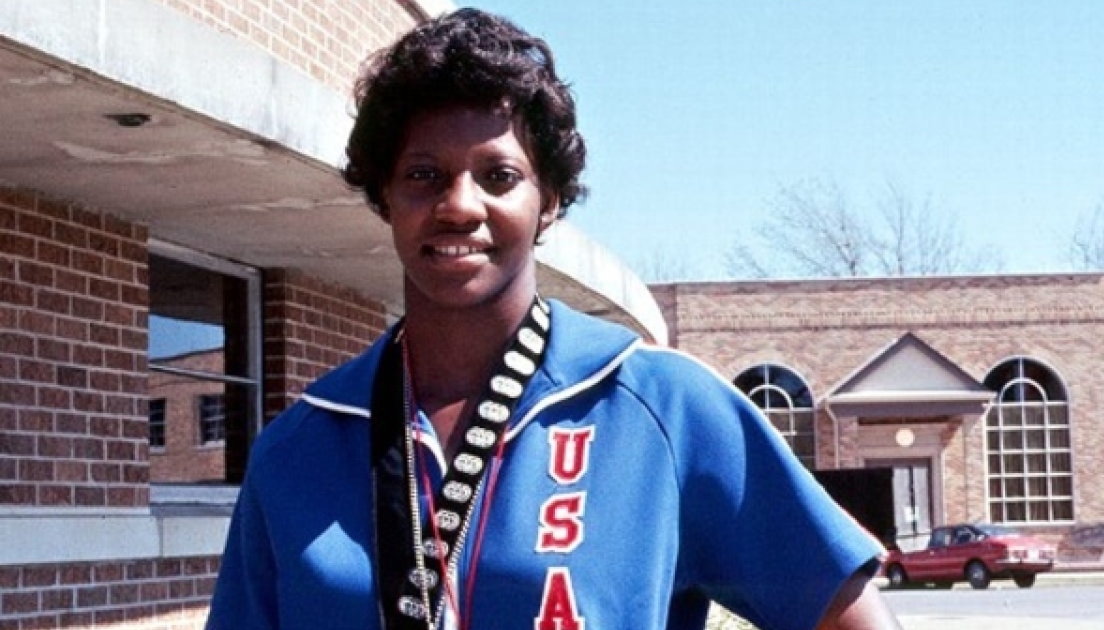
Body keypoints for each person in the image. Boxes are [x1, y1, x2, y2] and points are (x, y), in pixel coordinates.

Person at [206, 8, 902, 630]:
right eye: (423, 174)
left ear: (551, 202)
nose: (459, 205)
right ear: (385, 195)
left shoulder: (665, 408)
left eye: (499, 176)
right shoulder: (299, 446)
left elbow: (850, 616)